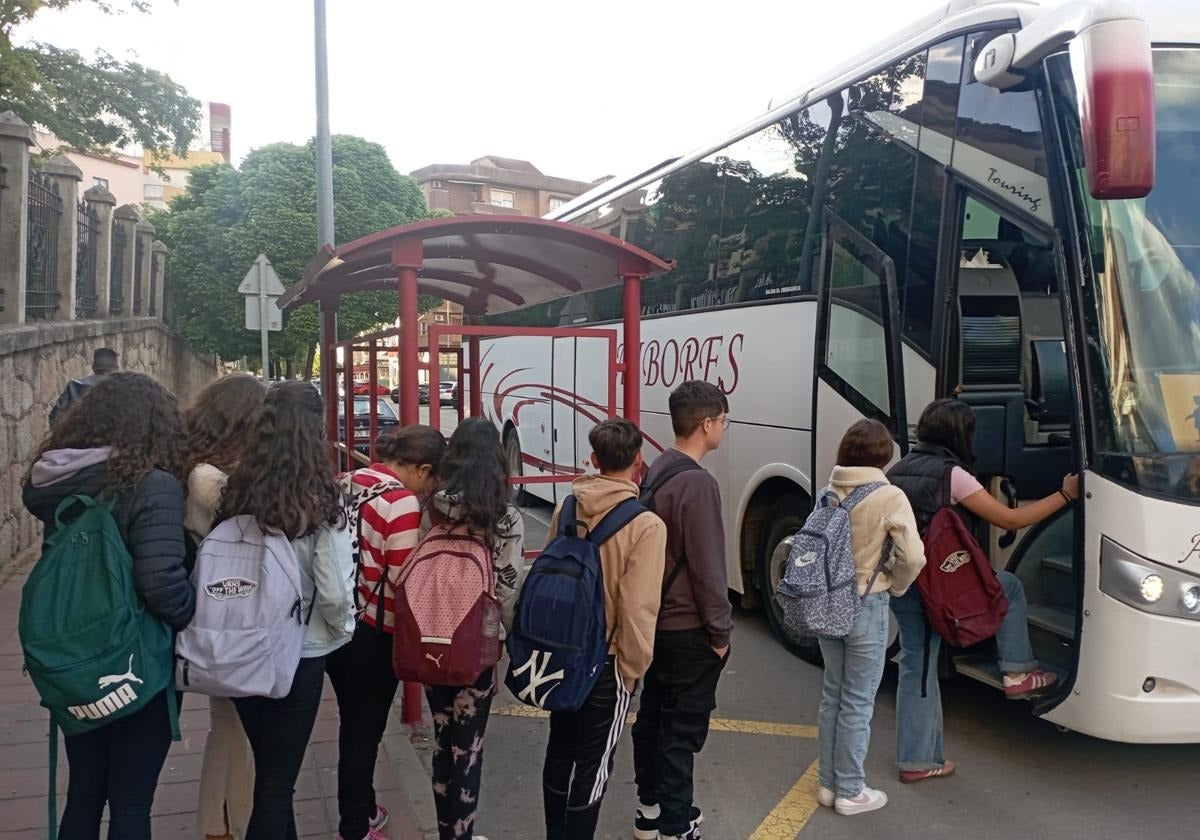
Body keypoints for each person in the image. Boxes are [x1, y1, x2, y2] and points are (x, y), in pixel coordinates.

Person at [22, 371, 196, 839]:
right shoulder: (152, 485)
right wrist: (189, 618)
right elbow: (160, 581)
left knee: (84, 792)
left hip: (75, 655)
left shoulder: (58, 480)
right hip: (137, 658)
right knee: (131, 801)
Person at [887, 398, 1079, 783]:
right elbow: (1010, 518)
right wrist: (1066, 495)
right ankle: (1015, 673)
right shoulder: (952, 475)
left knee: (918, 661)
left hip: (904, 582)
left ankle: (924, 756)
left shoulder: (899, 468)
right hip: (940, 585)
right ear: (960, 435)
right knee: (1005, 589)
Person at [220, 380, 356, 840]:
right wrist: (341, 630)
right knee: (278, 783)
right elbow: (333, 591)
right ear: (316, 428)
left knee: (271, 773)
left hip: (241, 645)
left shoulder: (237, 489)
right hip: (299, 651)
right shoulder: (321, 497)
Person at [541, 419, 667, 839]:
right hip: (608, 660)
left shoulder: (567, 507)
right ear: (639, 461)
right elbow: (638, 606)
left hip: (563, 650)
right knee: (593, 764)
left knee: (560, 748)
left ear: (594, 460)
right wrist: (633, 669)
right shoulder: (646, 525)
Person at [327, 426, 447, 840]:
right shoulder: (400, 502)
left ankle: (364, 806)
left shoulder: (347, 481)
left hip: (337, 624)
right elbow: (401, 578)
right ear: (422, 469)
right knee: (363, 734)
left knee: (353, 722)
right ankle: (354, 827)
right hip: (375, 633)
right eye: (431, 480)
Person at [631, 380, 734, 840]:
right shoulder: (698, 483)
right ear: (707, 424)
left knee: (653, 715)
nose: (724, 428)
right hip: (689, 627)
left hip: (655, 620)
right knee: (681, 729)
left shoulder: (658, 469)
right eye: (724, 420)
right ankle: (677, 825)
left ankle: (649, 811)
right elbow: (709, 567)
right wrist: (720, 633)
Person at [815, 419, 926, 816]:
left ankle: (828, 785)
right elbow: (913, 557)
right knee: (858, 700)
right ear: (883, 455)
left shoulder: (828, 492)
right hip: (866, 603)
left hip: (827, 603)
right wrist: (895, 585)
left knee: (833, 693)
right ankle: (850, 790)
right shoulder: (889, 496)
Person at [424, 417, 525, 840]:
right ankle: (462, 833)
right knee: (468, 747)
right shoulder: (505, 516)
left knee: (442, 737)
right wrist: (508, 637)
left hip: (432, 637)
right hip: (476, 647)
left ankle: (446, 830)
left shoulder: (432, 506)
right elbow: (507, 588)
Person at [182, 373, 268, 840]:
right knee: (233, 725)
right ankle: (225, 821)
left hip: (222, 603)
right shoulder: (210, 479)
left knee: (230, 723)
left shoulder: (199, 466)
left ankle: (224, 819)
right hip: (229, 605)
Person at [50, 347, 118, 423]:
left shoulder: (74, 386)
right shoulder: (120, 388)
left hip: (78, 429)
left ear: (93, 367)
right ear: (116, 369)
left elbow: (55, 417)